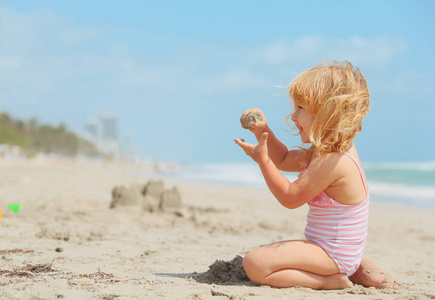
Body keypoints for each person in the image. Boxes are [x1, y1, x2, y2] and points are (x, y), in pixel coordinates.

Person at [234, 61, 398, 290]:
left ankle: (331, 280)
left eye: (300, 108)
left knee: (255, 264)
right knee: (263, 259)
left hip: (332, 253)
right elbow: (282, 159)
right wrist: (263, 132)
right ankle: (355, 268)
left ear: (327, 114)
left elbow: (290, 198)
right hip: (329, 248)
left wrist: (263, 161)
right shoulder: (325, 150)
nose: (293, 116)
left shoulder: (333, 160)